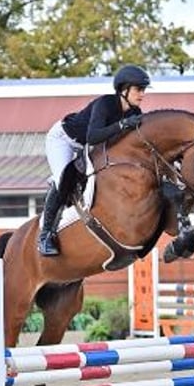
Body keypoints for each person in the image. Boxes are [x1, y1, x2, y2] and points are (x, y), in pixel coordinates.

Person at [38, 64, 151, 256]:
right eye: (138, 89)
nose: (142, 94)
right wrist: (122, 124)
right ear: (124, 90)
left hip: (88, 147)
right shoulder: (105, 104)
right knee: (63, 180)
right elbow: (93, 136)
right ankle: (45, 235)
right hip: (64, 140)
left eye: (143, 90)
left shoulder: (134, 113)